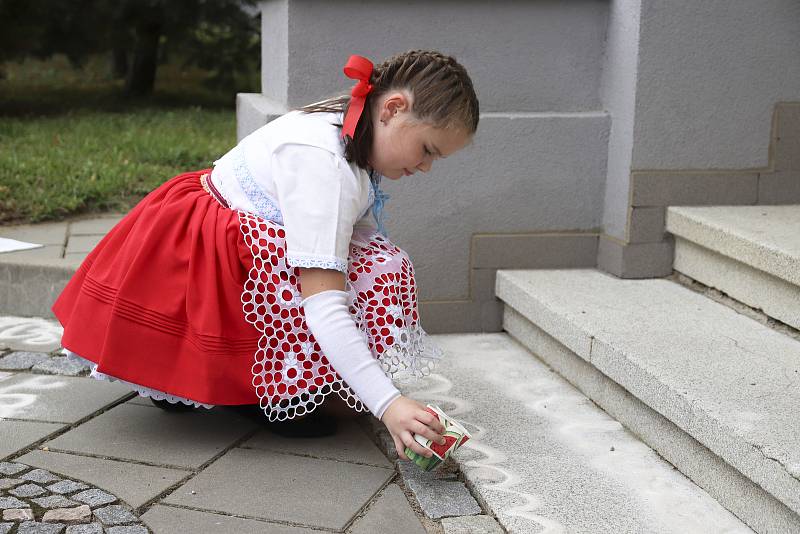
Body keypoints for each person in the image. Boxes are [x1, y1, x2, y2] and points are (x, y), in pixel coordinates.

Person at [51, 49, 479, 461]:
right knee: (372, 269)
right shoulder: (323, 165)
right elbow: (324, 303)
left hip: (220, 236)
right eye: (427, 150)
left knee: (372, 260)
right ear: (392, 109)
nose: (425, 168)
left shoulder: (348, 126)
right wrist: (388, 403)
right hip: (204, 256)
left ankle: (236, 383)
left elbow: (349, 237)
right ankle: (263, 392)